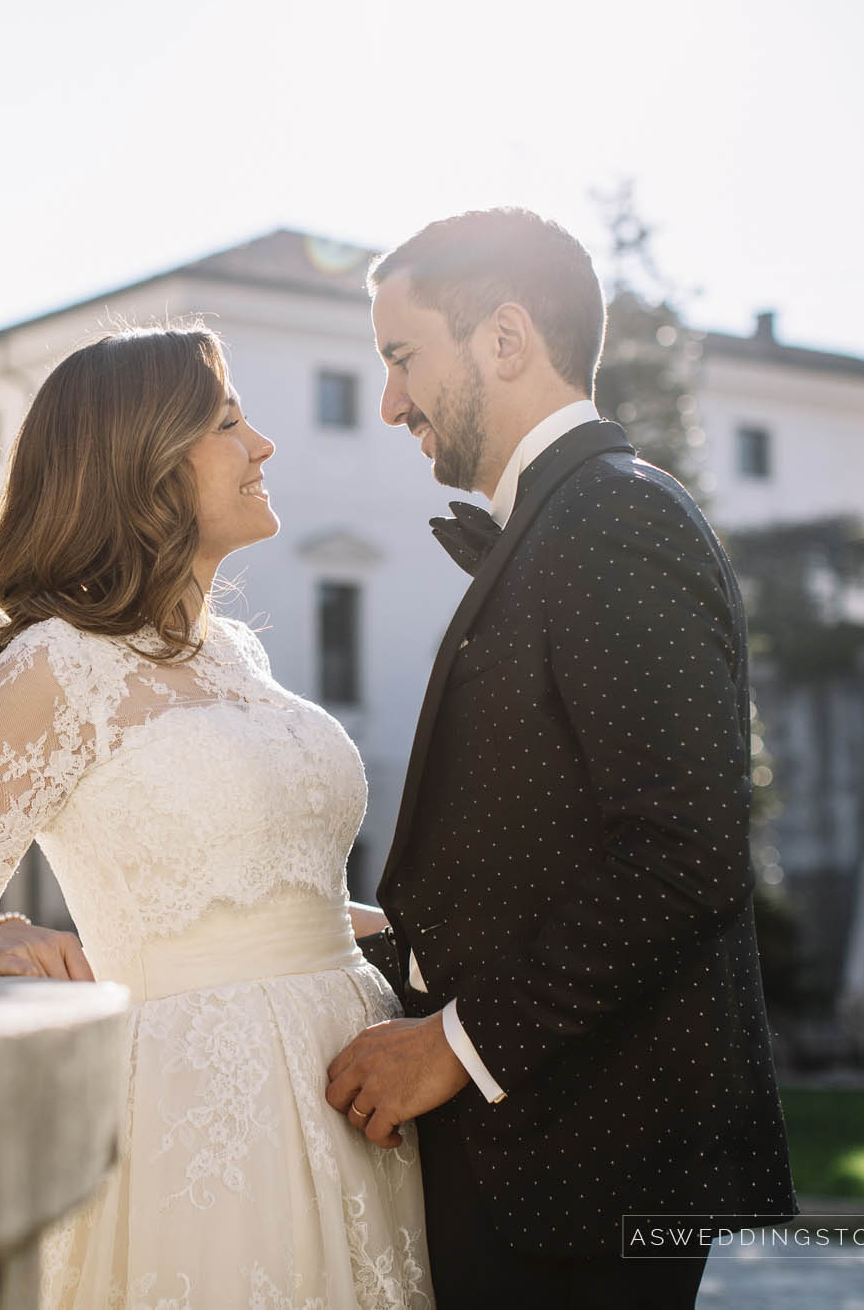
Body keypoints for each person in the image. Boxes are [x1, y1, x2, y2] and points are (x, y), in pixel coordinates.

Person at [0, 325, 434, 1309]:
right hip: (209, 1116)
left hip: (354, 1086)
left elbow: (262, 893)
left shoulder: (235, 656)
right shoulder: (52, 665)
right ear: (141, 464)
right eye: (226, 423)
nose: (261, 444)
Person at [325, 208, 796, 1308]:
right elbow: (548, 844)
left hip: (583, 1167)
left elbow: (682, 853)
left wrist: (452, 1042)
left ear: (501, 339)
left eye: (401, 359)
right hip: (534, 1157)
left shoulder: (614, 519)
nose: (390, 402)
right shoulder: (563, 523)